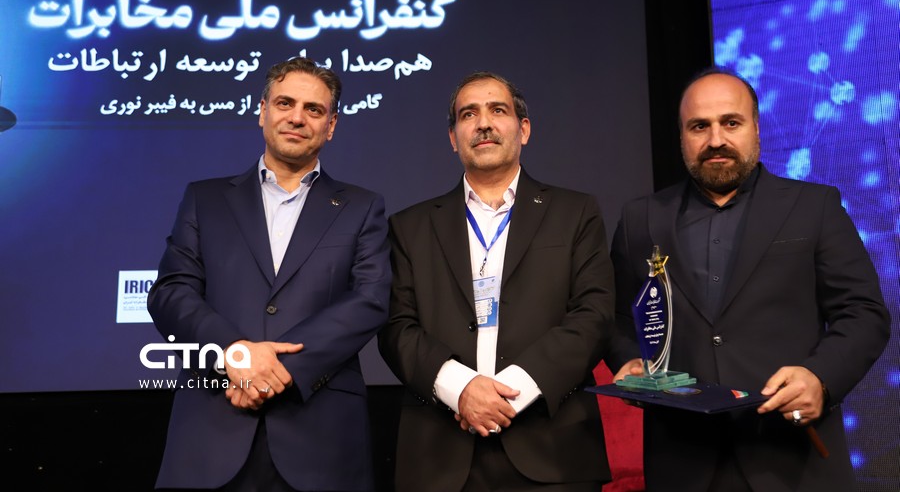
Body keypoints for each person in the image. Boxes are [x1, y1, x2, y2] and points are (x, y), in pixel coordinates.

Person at [608, 69, 890, 491]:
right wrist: (631, 360)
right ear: (682, 135)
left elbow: (864, 313)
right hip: (683, 461)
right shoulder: (641, 219)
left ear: (756, 128)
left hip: (792, 455)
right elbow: (616, 319)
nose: (715, 139)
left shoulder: (814, 206)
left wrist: (821, 377)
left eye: (731, 122)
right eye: (699, 126)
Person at [147, 56, 391, 491]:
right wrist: (235, 354)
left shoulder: (362, 206)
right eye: (284, 103)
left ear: (331, 125)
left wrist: (279, 369)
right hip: (211, 429)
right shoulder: (205, 199)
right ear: (262, 111)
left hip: (320, 436)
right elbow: (171, 292)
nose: (297, 117)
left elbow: (370, 300)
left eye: (313, 109)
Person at [379, 71, 615, 491]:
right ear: (453, 138)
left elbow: (593, 315)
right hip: (441, 454)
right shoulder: (409, 226)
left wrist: (508, 393)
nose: (484, 123)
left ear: (523, 130)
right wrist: (462, 389)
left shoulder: (575, 213)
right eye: (468, 114)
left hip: (553, 449)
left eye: (498, 110)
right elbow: (396, 327)